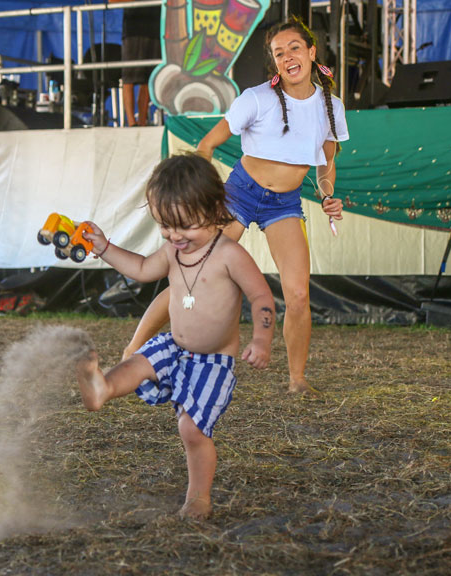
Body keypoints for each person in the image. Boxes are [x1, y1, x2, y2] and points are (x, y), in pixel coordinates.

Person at [122, 16, 349, 394]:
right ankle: (133, 348)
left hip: (285, 203)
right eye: (279, 53)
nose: (288, 57)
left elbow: (327, 163)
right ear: (274, 62)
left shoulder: (331, 106)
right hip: (240, 192)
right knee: (191, 276)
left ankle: (296, 380)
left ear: (311, 52)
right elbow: (208, 144)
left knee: (297, 293)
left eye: (295, 48)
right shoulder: (256, 99)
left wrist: (327, 194)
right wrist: (200, 191)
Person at [77, 153, 275, 519]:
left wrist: (261, 339)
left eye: (184, 226)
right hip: (175, 345)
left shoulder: (230, 254)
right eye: (166, 226)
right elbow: (139, 268)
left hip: (213, 361)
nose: (174, 236)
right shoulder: (172, 250)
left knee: (192, 429)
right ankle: (102, 387)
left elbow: (262, 297)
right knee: (138, 362)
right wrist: (103, 248)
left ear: (216, 210)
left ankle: (198, 496)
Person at [111, 0, 161, 126]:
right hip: (133, 30)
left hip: (154, 28)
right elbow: (112, 1)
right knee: (129, 76)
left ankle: (143, 120)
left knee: (149, 78)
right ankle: (131, 122)